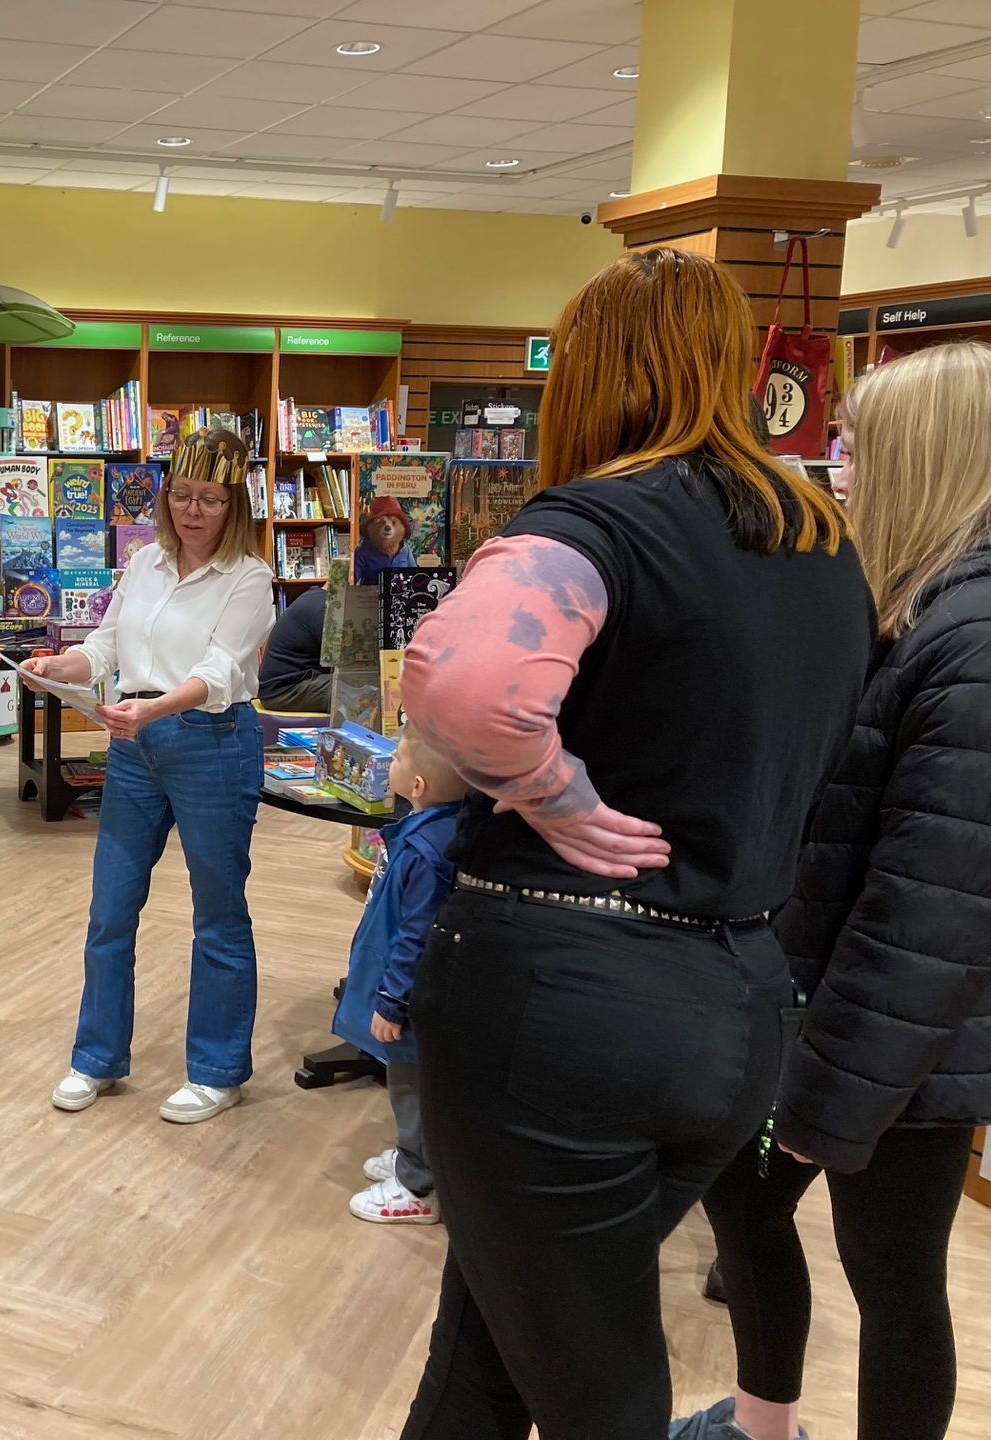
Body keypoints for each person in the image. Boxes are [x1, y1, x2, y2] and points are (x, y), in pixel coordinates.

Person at [390, 248, 873, 1438]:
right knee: (492, 1341)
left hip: (560, 1005)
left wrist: (550, 792)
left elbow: (457, 682)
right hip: (740, 1000)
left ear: (590, 374)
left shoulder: (598, 520)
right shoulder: (819, 540)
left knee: (592, 1389)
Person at [677, 341, 991, 1440]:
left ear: (931, 458)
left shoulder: (974, 639)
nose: (833, 460)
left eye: (860, 442)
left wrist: (835, 1093)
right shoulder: (912, 603)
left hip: (901, 1047)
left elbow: (931, 914)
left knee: (894, 1277)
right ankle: (765, 1425)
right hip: (832, 1010)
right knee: (746, 1207)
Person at [27, 426, 275, 1125]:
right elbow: (107, 646)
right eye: (182, 495)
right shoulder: (145, 563)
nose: (192, 511)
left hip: (211, 744)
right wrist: (59, 667)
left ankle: (217, 1069)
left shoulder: (250, 577)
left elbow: (221, 671)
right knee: (110, 908)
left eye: (211, 499)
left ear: (236, 506)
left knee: (218, 914)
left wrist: (157, 708)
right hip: (136, 751)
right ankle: (96, 1057)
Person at [333, 725, 465, 1226]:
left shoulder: (427, 852)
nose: (387, 763)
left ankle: (417, 1184)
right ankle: (415, 1156)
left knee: (410, 1086)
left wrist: (391, 1001)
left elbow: (416, 934)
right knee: (408, 1083)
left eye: (395, 758)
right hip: (408, 989)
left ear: (418, 788)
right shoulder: (437, 830)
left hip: (407, 999)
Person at [256, 587, 331, 713]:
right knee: (355, 690)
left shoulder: (314, 598)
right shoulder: (323, 608)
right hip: (284, 690)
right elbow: (340, 659)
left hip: (282, 686)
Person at [354, 495, 417, 583]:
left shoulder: (405, 550)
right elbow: (352, 579)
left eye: (393, 522)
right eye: (381, 522)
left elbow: (415, 576)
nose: (387, 526)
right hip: (372, 595)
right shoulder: (364, 550)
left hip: (399, 595)